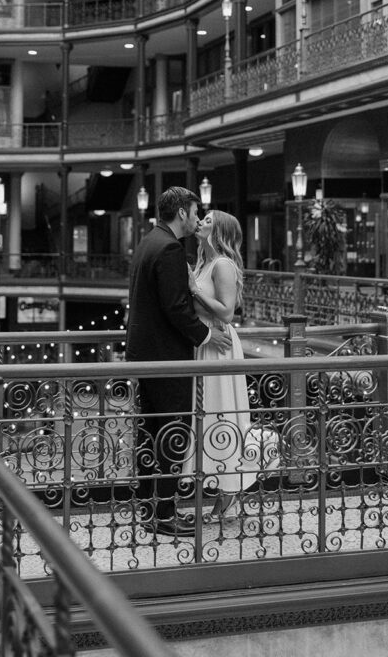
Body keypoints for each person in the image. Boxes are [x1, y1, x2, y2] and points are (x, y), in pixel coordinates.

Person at [126, 186, 231, 536]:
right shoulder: (170, 248)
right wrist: (205, 336)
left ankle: (149, 507)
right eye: (194, 210)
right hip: (166, 357)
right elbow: (175, 307)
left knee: (150, 432)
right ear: (182, 212)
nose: (197, 216)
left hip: (145, 355)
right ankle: (164, 513)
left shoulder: (148, 241)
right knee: (172, 431)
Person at [183, 209, 261, 522]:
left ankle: (229, 493)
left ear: (220, 232)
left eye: (208, 220)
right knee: (206, 414)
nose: (200, 221)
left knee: (222, 413)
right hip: (205, 343)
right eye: (200, 218)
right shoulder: (202, 261)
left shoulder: (223, 264)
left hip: (220, 345)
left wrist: (194, 288)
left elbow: (227, 312)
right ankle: (220, 489)